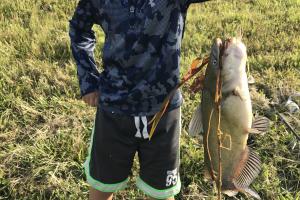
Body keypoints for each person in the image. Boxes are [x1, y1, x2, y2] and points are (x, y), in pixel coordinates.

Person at [69, 0, 209, 199]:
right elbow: (79, 27)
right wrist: (88, 79)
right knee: (101, 188)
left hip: (162, 113)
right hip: (114, 112)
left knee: (161, 194)